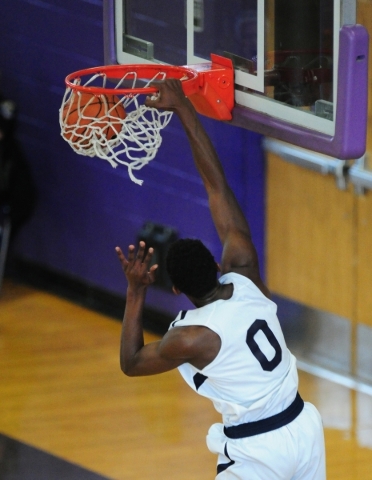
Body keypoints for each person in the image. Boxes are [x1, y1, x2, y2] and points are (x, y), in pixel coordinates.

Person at [115, 79, 326, 479]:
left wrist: (135, 292)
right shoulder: (244, 267)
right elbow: (216, 186)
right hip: (304, 427)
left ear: (175, 290)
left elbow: (131, 363)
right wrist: (183, 107)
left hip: (259, 450)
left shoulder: (191, 338)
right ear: (217, 264)